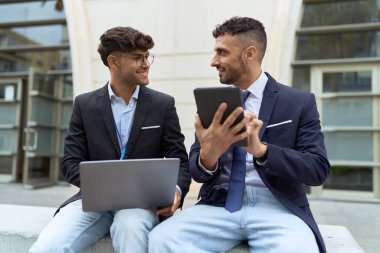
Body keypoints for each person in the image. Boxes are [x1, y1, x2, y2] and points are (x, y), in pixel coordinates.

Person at [149, 16, 330, 253]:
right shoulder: (212, 103)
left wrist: (262, 151)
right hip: (218, 205)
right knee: (161, 239)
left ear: (250, 54)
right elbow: (196, 171)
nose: (214, 61)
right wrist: (208, 157)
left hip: (276, 206)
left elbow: (317, 169)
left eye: (222, 52)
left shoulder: (298, 103)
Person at [29, 26, 191, 253]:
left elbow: (180, 161)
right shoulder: (84, 105)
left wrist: (175, 191)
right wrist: (104, 186)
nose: (146, 64)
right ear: (113, 62)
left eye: (147, 57)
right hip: (94, 202)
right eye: (137, 58)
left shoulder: (162, 105)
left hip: (140, 204)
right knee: (48, 247)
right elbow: (70, 163)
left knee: (130, 229)